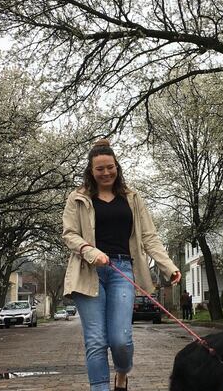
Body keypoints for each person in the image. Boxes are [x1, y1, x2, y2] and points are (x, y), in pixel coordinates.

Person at [62, 139, 181, 391]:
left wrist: (168, 267)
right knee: (96, 340)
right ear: (91, 171)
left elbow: (149, 236)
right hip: (88, 271)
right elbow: (69, 234)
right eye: (99, 169)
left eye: (110, 167)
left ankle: (122, 373)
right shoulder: (78, 197)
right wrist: (89, 251)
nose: (106, 173)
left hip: (122, 270)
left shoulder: (132, 198)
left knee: (121, 340)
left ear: (117, 166)